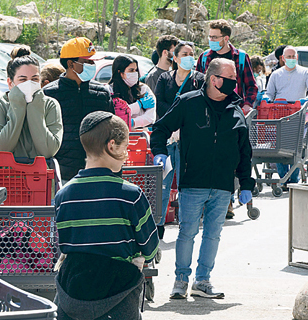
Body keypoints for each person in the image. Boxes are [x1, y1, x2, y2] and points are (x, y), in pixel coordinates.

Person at [151, 58, 254, 300]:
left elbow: (244, 151)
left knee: (213, 233)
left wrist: (246, 184)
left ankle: (203, 280)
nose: (234, 85)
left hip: (222, 185)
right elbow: (161, 128)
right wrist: (159, 153)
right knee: (187, 232)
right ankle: (180, 281)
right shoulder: (189, 102)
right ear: (214, 79)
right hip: (193, 182)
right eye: (230, 80)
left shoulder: (235, 110)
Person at [53, 111, 158, 319]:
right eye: (125, 148)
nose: (127, 154)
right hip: (120, 294)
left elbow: (65, 244)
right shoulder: (131, 195)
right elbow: (150, 247)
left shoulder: (63, 195)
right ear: (112, 146)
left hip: (71, 293)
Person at [43, 37, 114, 181]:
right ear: (70, 64)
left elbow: (112, 129)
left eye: (93, 61)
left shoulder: (102, 93)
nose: (92, 65)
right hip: (62, 173)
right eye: (87, 61)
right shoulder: (48, 94)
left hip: (98, 171)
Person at [154, 41, 205, 231]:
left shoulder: (199, 79)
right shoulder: (165, 78)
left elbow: (200, 105)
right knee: (164, 182)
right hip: (168, 136)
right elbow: (159, 103)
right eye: (184, 54)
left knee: (186, 182)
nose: (189, 57)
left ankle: (187, 222)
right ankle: (158, 223)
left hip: (189, 137)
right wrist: (173, 124)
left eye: (192, 53)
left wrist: (183, 125)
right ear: (175, 58)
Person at [0, 46, 63, 159]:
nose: (29, 84)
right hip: (2, 175)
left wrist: (35, 109)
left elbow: (49, 150)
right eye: (23, 80)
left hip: (38, 175)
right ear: (10, 83)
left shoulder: (50, 105)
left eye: (34, 79)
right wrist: (17, 108)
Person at [264, 46, 308, 190]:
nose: (291, 59)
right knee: (280, 147)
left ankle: (292, 178)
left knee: (296, 146)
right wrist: (267, 99)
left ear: (297, 57)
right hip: (280, 115)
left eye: (293, 56)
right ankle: (284, 177)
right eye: (288, 56)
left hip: (299, 115)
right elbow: (269, 93)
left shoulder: (305, 73)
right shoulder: (276, 75)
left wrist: (307, 99)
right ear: (282, 58)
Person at [195, 19, 258, 114]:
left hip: (233, 110)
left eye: (215, 37)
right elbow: (197, 85)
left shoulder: (241, 57)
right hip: (208, 110)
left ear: (226, 38)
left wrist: (247, 104)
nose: (211, 40)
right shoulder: (204, 57)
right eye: (210, 37)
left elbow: (251, 86)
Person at [106, 55, 156, 129]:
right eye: (131, 70)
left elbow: (150, 117)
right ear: (121, 73)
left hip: (141, 134)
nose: (135, 73)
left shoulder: (143, 89)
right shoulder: (109, 90)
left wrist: (132, 122)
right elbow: (115, 115)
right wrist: (138, 105)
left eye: (136, 70)